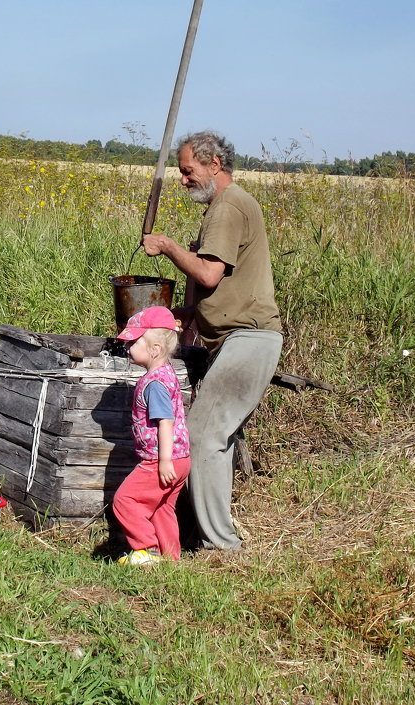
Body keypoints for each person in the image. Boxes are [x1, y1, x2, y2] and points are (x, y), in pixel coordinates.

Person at [141, 131, 283, 551]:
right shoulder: (228, 206)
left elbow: (207, 275)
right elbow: (216, 286)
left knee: (204, 435)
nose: (183, 180)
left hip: (249, 338)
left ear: (213, 165)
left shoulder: (228, 206)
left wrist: (166, 246)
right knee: (211, 434)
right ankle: (213, 537)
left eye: (188, 171)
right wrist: (185, 315)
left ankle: (221, 546)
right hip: (239, 338)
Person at [111, 306, 192, 565]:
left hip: (162, 460)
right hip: (182, 459)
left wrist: (163, 461)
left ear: (155, 349)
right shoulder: (167, 374)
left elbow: (165, 422)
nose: (127, 347)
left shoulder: (155, 383)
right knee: (162, 508)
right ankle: (171, 559)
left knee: (125, 500)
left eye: (133, 342)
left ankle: (145, 550)